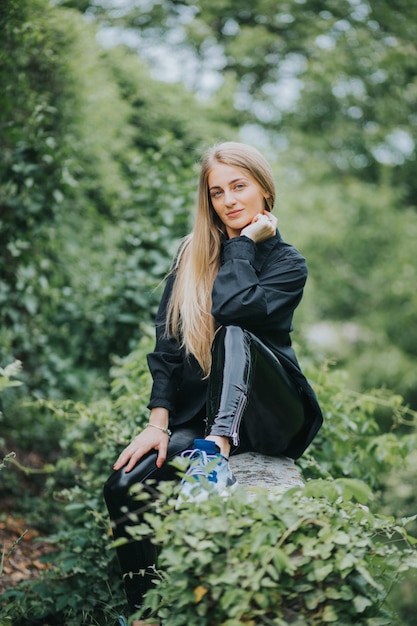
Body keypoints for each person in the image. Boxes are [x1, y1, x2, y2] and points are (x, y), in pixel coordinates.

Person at [104, 141, 323, 626]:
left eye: (239, 187)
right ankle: (144, 611)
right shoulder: (191, 259)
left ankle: (214, 453)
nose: (228, 200)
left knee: (235, 331)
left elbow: (234, 310)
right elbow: (166, 347)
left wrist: (244, 244)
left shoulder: (288, 263)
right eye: (217, 192)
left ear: (264, 190)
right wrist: (157, 423)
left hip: (269, 415)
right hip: (199, 414)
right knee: (123, 483)